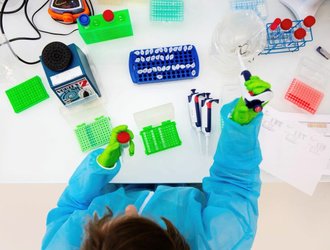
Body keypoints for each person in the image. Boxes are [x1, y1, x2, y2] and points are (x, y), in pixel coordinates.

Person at [41, 77, 271, 250]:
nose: (129, 208)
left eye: (110, 221)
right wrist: (240, 128)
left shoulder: (64, 244)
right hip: (190, 188)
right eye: (140, 220)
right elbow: (235, 185)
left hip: (123, 183)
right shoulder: (223, 240)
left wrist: (98, 168)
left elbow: (69, 207)